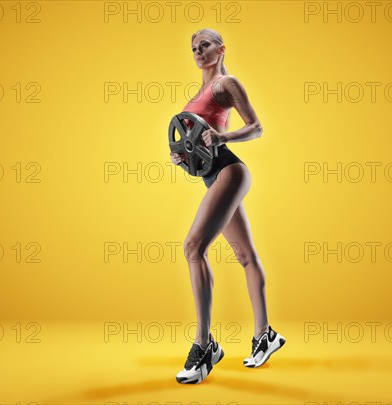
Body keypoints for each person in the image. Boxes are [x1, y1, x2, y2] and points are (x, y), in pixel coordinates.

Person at [170, 28, 286, 384]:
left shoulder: (226, 83)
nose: (197, 51)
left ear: (220, 49)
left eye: (204, 45)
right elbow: (194, 141)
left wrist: (223, 137)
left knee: (193, 247)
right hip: (212, 174)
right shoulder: (197, 94)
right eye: (193, 47)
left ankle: (204, 346)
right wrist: (183, 156)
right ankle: (265, 335)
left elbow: (257, 127)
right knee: (246, 255)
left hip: (230, 171)